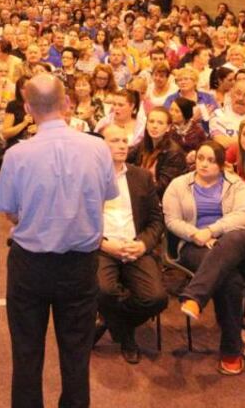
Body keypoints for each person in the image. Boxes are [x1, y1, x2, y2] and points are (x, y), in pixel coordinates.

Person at [0, 74, 118, 408]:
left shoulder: (18, 155)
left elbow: (10, 212)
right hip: (80, 265)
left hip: (30, 265)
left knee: (26, 352)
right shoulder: (98, 147)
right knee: (76, 354)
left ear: (28, 108)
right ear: (66, 103)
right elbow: (106, 196)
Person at [164, 141, 245, 375]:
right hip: (197, 244)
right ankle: (231, 351)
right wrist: (195, 234)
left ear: (222, 164)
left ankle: (195, 296)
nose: (204, 164)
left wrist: (212, 231)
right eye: (201, 158)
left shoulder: (236, 184)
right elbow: (172, 220)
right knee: (229, 278)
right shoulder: (179, 185)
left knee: (233, 239)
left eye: (211, 160)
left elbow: (244, 215)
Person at [94, 125, 167, 365]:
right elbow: (77, 221)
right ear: (101, 146)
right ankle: (127, 336)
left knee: (157, 298)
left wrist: (143, 245)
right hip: (103, 247)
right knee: (103, 291)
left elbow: (156, 220)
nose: (122, 146)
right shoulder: (89, 176)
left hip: (135, 247)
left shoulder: (141, 177)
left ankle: (109, 321)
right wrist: (104, 244)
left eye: (124, 141)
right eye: (115, 141)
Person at [127, 106, 187, 197]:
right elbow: (125, 157)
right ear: (146, 125)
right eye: (151, 121)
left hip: (159, 198)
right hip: (141, 193)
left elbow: (163, 187)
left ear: (168, 127)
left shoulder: (174, 153)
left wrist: (133, 185)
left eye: (160, 123)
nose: (154, 126)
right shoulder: (144, 144)